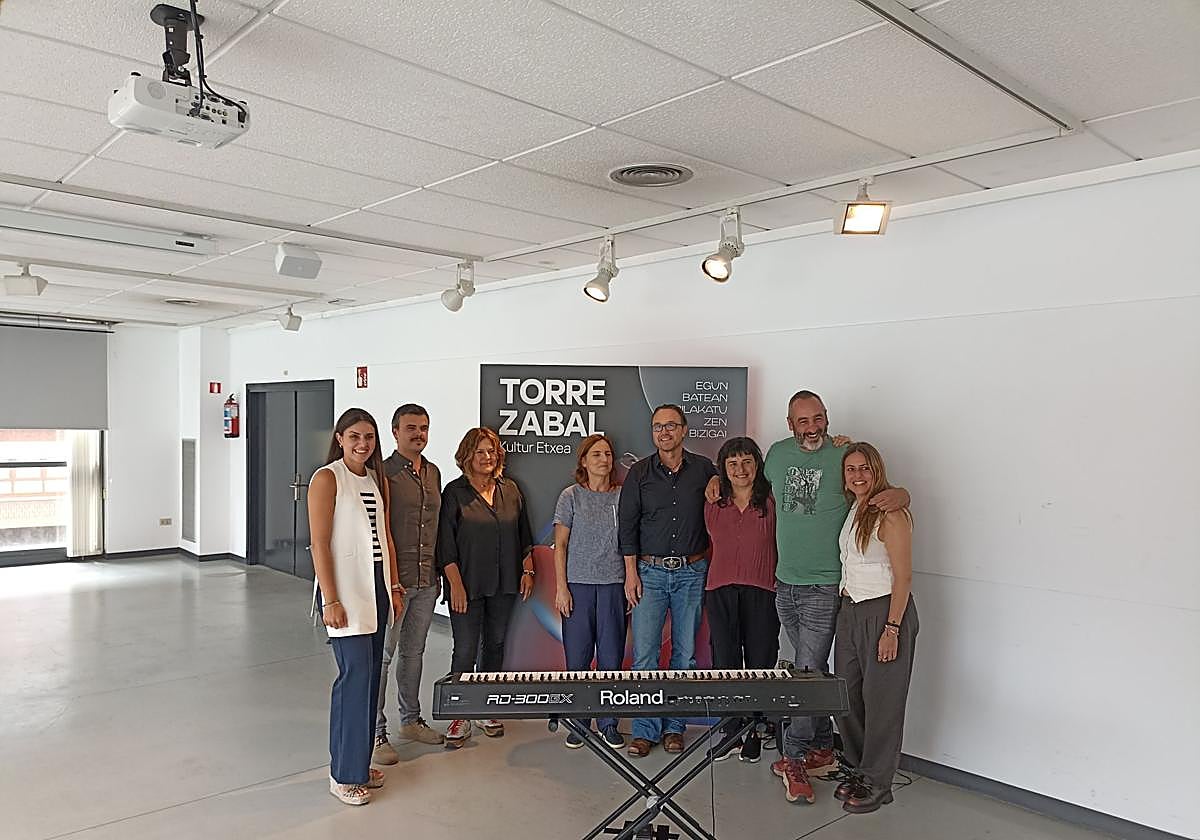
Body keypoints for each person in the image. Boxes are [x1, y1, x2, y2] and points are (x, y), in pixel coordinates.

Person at [708, 391, 907, 803]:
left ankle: (794, 754)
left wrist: (901, 495)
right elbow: (742, 479)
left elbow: (876, 484)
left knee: (806, 670)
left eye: (818, 419)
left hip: (823, 585)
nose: (812, 427)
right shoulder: (777, 456)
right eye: (803, 421)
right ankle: (820, 742)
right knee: (812, 671)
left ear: (827, 418)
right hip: (784, 583)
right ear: (789, 423)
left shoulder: (843, 454)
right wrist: (715, 478)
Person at [309, 408, 405, 806]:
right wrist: (330, 598)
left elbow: (385, 536)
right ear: (340, 438)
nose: (362, 444)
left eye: (369, 437)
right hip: (345, 593)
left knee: (370, 682)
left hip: (378, 588)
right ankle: (343, 774)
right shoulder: (328, 478)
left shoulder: (375, 478)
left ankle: (360, 764)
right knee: (354, 678)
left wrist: (395, 586)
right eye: (355, 437)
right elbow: (319, 542)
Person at [619, 404, 716, 758]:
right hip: (650, 573)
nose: (664, 432)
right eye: (658, 426)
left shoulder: (705, 470)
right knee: (645, 656)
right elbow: (627, 526)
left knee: (685, 655)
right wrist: (630, 573)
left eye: (671, 425)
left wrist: (718, 479)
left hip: (692, 572)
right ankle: (645, 730)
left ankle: (675, 728)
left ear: (684, 430)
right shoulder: (640, 473)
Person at [437, 427, 535, 749]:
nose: (488, 457)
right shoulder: (454, 493)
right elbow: (445, 547)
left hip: (504, 584)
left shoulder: (510, 490)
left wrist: (528, 569)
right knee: (465, 649)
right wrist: (455, 585)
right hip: (465, 585)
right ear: (467, 455)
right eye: (480, 451)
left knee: (495, 644)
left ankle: (487, 706)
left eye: (492, 451)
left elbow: (524, 536)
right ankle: (460, 713)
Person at [834, 442, 918, 814]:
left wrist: (893, 628)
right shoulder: (857, 508)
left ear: (877, 470)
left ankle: (878, 782)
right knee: (846, 695)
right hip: (851, 611)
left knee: (883, 700)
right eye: (851, 469)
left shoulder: (892, 513)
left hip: (884, 612)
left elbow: (904, 577)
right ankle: (857, 768)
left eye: (864, 469)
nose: (857, 475)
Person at [372, 405, 444, 766]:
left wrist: (438, 574)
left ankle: (411, 720)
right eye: (411, 428)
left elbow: (437, 527)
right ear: (395, 431)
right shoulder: (382, 474)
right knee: (383, 657)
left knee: (414, 654)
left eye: (424, 428)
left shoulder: (433, 472)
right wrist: (391, 581)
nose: (419, 433)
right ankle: (376, 732)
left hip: (426, 580)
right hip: (394, 584)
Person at [704, 436, 780, 764]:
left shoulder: (772, 500)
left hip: (762, 590)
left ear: (757, 465)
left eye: (747, 461)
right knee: (725, 662)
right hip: (720, 589)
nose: (740, 469)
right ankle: (730, 729)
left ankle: (753, 730)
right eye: (732, 463)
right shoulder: (712, 501)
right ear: (723, 469)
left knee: (760, 661)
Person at [554, 433, 627, 751]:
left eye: (608, 454)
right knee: (578, 660)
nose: (604, 460)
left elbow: (630, 544)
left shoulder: (623, 496)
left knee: (611, 660)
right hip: (578, 588)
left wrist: (630, 580)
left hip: (613, 586)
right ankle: (579, 724)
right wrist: (562, 588)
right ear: (584, 461)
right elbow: (561, 546)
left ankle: (609, 723)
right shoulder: (571, 496)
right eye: (596, 454)